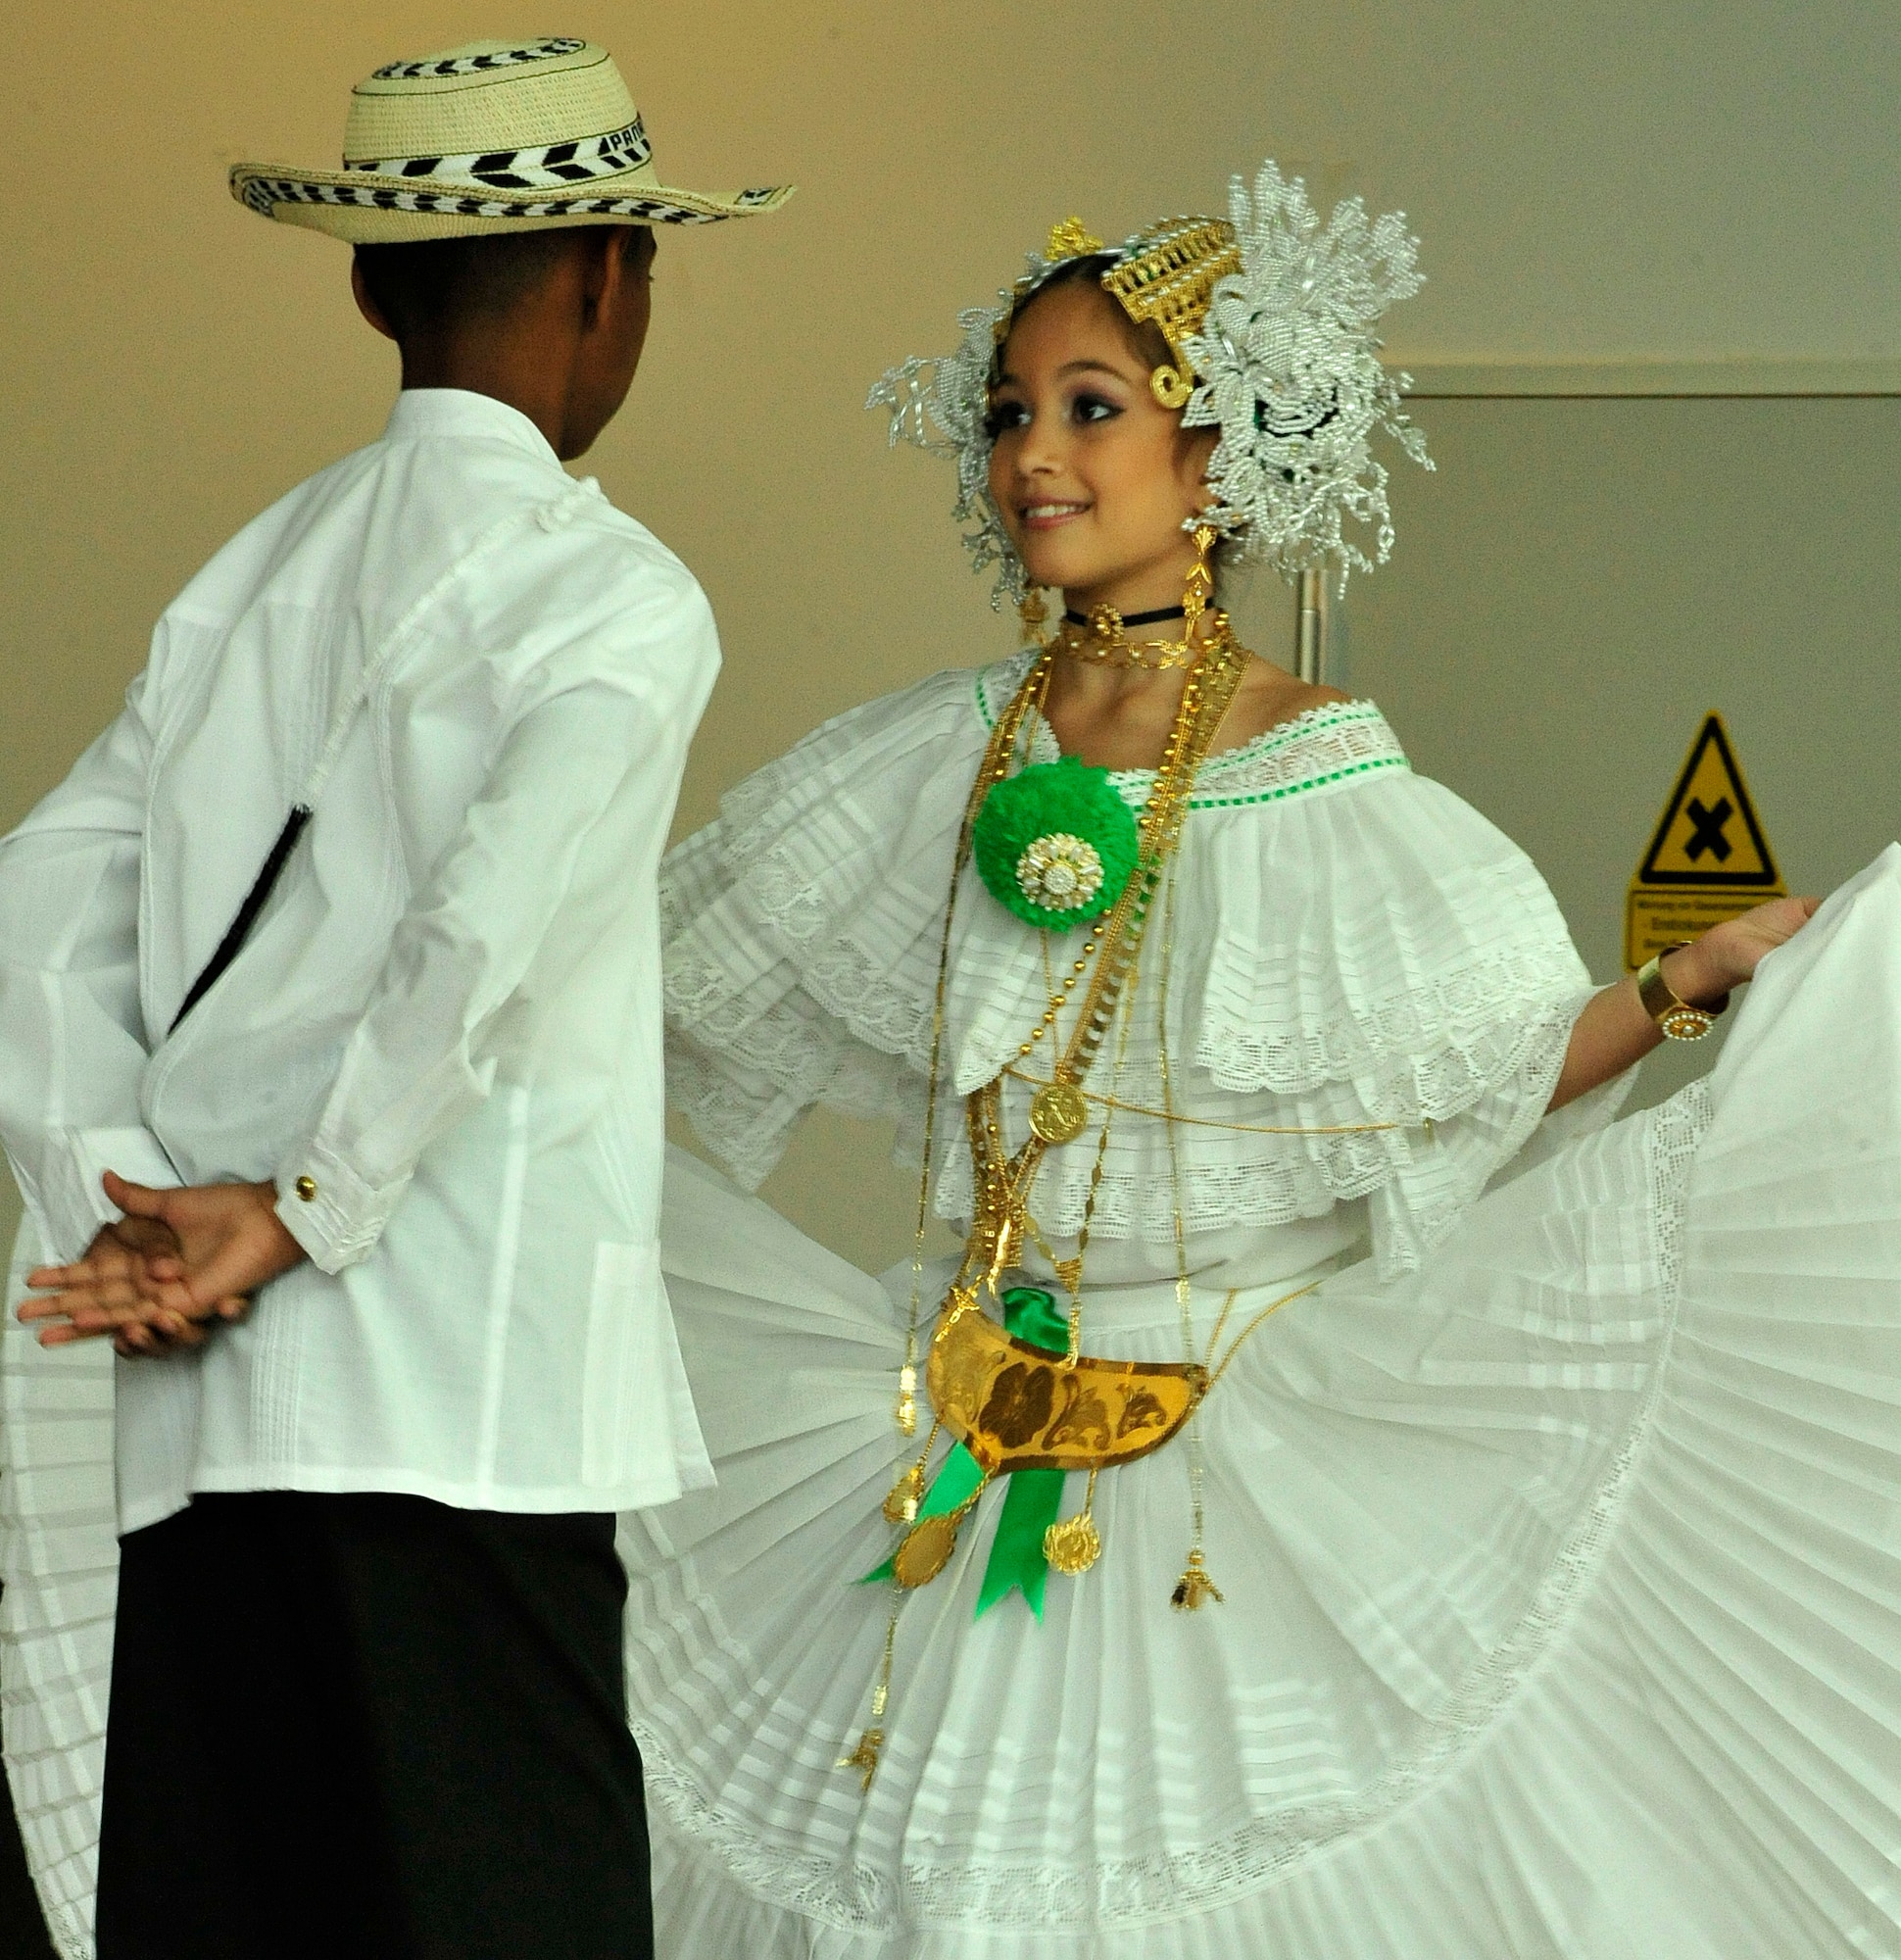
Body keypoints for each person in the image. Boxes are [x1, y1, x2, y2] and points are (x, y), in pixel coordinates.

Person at [621, 170, 1901, 1955]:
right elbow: (637, 996)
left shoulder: (1319, 776)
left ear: (1216, 463)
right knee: (917, 1896)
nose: (1034, 457)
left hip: (1230, 1434)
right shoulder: (919, 757)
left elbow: (1477, 1083)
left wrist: (1681, 982)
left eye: (1092, 410)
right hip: (945, 1420)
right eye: (1008, 415)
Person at [0, 37, 788, 1960]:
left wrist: (130, 1208)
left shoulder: (237, 586)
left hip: (207, 1426)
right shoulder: (615, 596)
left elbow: (27, 915)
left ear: (371, 281)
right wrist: (304, 1208)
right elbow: (484, 920)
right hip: (472, 1397)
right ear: (612, 278)